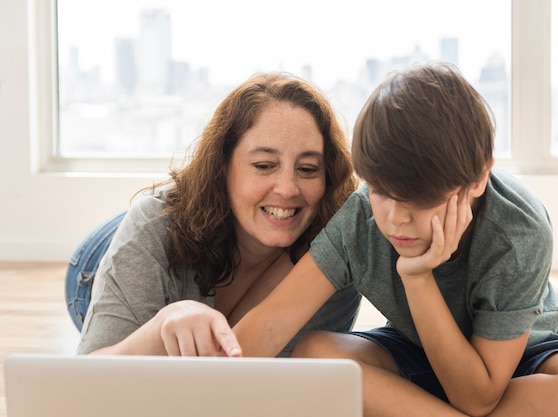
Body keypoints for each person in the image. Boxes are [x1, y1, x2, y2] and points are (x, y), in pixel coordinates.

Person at [230, 63, 558, 416]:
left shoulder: (516, 228)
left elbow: (478, 399)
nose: (395, 219)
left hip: (515, 363)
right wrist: (201, 387)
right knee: (316, 354)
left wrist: (417, 277)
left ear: (478, 178)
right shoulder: (363, 216)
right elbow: (270, 323)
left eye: (418, 201)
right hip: (413, 353)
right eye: (381, 192)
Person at [73, 72, 361, 357]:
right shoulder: (154, 223)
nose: (287, 189)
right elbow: (91, 376)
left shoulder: (340, 254)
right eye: (263, 165)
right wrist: (160, 326)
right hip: (106, 253)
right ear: (222, 166)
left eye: (308, 169)